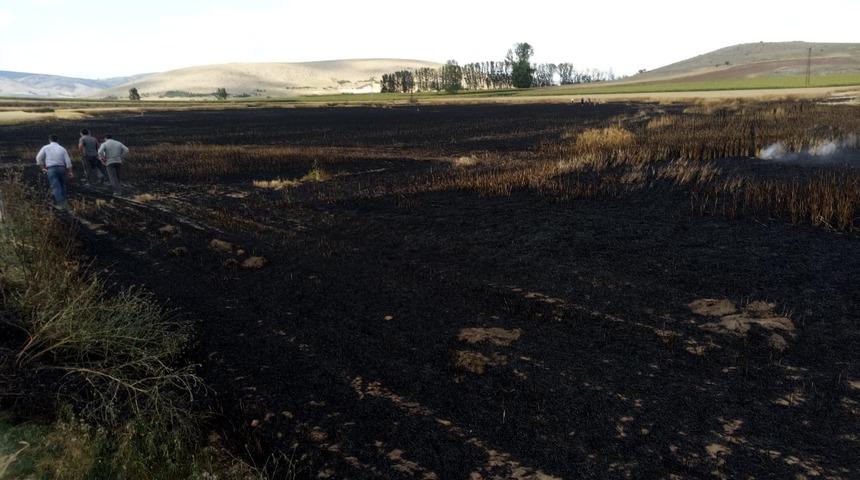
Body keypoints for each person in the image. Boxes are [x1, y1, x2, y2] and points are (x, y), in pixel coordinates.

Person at [35, 134, 74, 210]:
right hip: (62, 168)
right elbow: (68, 161)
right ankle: (65, 203)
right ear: (57, 140)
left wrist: (42, 167)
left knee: (56, 186)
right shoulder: (62, 149)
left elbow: (38, 158)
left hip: (51, 169)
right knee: (63, 185)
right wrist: (70, 171)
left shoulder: (45, 147)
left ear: (49, 140)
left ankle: (61, 204)